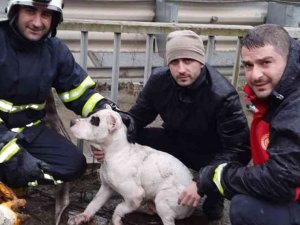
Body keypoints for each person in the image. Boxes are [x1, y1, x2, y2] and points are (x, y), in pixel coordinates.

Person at [0, 0, 133, 188]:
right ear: (15, 12)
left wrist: (109, 111)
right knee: (10, 160)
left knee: (73, 164)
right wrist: (8, 153)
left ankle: (17, 175)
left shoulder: (55, 50)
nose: (38, 23)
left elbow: (78, 93)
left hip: (29, 132)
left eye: (45, 14)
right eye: (30, 11)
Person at [127, 30, 251, 221]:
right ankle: (144, 186)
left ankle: (214, 194)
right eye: (174, 62)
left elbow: (239, 149)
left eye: (188, 61)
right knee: (133, 136)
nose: (181, 69)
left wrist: (203, 181)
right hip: (174, 140)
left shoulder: (222, 95)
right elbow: (136, 117)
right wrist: (113, 140)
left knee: (212, 211)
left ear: (201, 62)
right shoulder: (158, 81)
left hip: (208, 152)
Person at [196, 24, 300, 225]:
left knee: (245, 207)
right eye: (248, 65)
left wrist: (218, 176)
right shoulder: (279, 95)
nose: (255, 75)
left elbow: (279, 180)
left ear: (287, 60)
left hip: (287, 185)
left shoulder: (294, 107)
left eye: (265, 63)